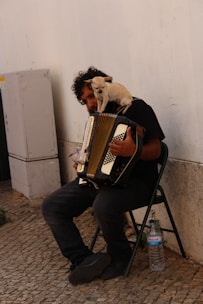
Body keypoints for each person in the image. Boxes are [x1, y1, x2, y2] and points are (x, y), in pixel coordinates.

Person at [42, 66, 165, 285]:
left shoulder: (137, 108)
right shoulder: (97, 117)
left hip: (137, 182)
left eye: (93, 95)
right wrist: (83, 161)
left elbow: (156, 150)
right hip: (100, 181)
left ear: (106, 87)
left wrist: (133, 152)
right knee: (52, 205)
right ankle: (84, 259)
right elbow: (94, 151)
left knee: (103, 205)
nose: (90, 102)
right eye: (85, 99)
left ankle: (120, 257)